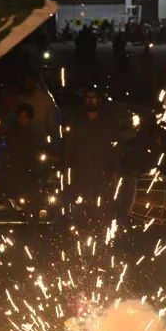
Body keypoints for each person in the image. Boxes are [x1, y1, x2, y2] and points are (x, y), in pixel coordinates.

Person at [63, 88, 127, 228]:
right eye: (88, 97)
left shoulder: (108, 122)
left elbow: (116, 147)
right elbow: (68, 147)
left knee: (103, 206)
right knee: (81, 205)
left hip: (102, 171)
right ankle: (81, 235)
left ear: (99, 100)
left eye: (94, 97)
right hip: (81, 171)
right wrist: (67, 169)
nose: (91, 100)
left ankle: (103, 238)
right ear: (83, 100)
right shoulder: (76, 121)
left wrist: (115, 170)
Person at [15, 72, 59, 144]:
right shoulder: (20, 99)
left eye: (29, 81)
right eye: (25, 81)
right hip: (24, 140)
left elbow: (52, 121)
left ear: (35, 82)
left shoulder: (45, 99)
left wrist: (54, 138)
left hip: (41, 140)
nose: (27, 84)